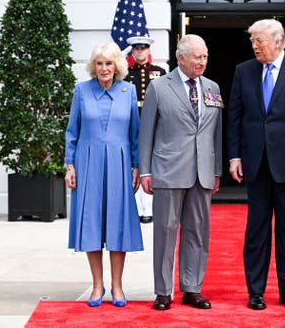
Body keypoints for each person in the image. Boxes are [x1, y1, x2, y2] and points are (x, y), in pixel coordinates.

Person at [227, 19, 285, 311]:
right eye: (252, 41)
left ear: (278, 42)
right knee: (256, 230)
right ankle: (255, 291)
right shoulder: (244, 71)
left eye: (259, 40)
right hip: (256, 163)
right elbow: (235, 116)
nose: (255, 46)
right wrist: (234, 156)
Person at [139, 34, 222, 311]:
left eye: (205, 56)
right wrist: (146, 171)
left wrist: (217, 169)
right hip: (168, 169)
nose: (203, 61)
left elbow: (216, 134)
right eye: (198, 57)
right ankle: (163, 291)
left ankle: (192, 288)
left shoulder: (212, 87)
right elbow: (146, 133)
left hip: (203, 171)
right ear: (181, 58)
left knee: (198, 232)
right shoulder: (159, 87)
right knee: (165, 231)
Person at [64, 41, 143, 308]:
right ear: (93, 66)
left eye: (109, 63)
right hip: (88, 164)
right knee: (92, 223)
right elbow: (71, 131)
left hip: (120, 165)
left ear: (117, 66)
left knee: (117, 223)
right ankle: (97, 285)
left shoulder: (128, 90)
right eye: (99, 63)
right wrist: (70, 165)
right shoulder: (81, 91)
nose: (104, 68)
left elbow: (135, 134)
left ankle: (117, 286)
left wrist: (136, 165)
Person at [125, 35, 166, 224]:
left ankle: (148, 208)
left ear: (149, 51)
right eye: (136, 49)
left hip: (153, 124)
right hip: (131, 123)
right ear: (132, 52)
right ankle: (136, 207)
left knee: (150, 165)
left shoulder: (159, 72)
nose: (140, 52)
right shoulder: (125, 73)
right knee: (134, 165)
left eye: (143, 48)